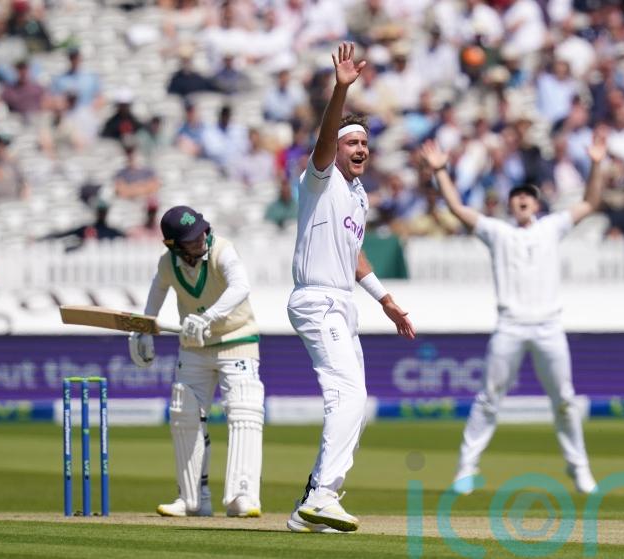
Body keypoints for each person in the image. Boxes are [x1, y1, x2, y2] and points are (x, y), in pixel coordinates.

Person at [418, 130, 608, 496]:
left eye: (527, 197)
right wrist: (441, 171)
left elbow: (590, 202)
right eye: (516, 197)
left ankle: (580, 469)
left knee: (565, 400)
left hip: (549, 326)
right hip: (510, 326)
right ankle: (465, 468)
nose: (522, 200)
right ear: (511, 205)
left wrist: (597, 163)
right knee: (489, 398)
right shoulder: (497, 232)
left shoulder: (552, 227)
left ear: (537, 205)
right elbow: (458, 209)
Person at [286, 43, 416, 534]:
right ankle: (322, 494)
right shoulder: (319, 180)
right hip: (316, 298)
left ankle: (309, 507)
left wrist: (386, 300)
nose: (360, 150)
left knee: (355, 402)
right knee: (348, 395)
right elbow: (323, 140)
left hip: (342, 301)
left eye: (365, 144)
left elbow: (354, 254)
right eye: (351, 143)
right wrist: (341, 89)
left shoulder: (358, 194)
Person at [128, 205, 264, 519]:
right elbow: (156, 294)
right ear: (173, 245)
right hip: (194, 347)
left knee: (244, 412)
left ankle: (242, 496)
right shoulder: (167, 264)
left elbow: (241, 287)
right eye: (190, 238)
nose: (200, 239)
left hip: (237, 340)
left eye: (201, 231)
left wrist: (209, 317)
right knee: (184, 413)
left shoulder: (223, 251)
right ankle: (192, 499)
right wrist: (144, 331)